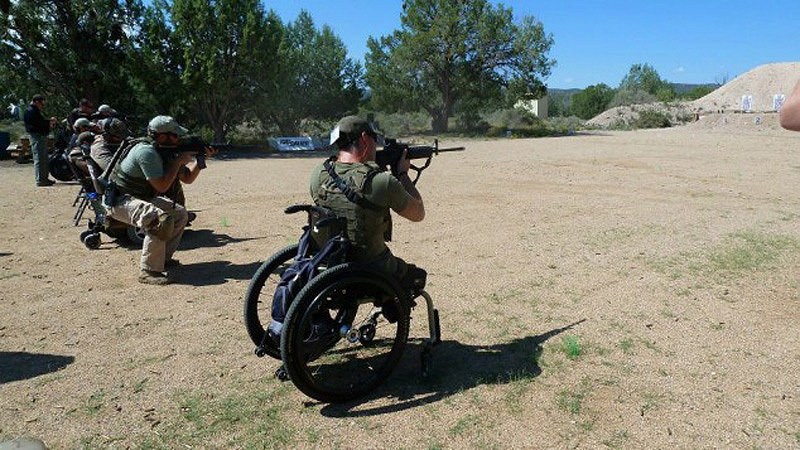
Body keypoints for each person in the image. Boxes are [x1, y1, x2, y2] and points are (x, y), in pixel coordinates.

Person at [309, 115, 425, 284]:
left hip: (328, 261)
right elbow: (418, 213)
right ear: (365, 139)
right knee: (417, 276)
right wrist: (402, 174)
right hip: (370, 267)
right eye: (374, 139)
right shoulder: (381, 182)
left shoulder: (318, 174)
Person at [106, 115, 205, 285]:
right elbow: (161, 187)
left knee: (180, 214)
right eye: (174, 135)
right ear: (161, 136)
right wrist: (178, 161)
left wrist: (201, 161)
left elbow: (187, 178)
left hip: (141, 198)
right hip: (121, 201)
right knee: (160, 219)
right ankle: (149, 271)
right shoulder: (147, 152)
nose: (178, 139)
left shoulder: (164, 150)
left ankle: (162, 260)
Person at [23, 94, 55, 186]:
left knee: (44, 158)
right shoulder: (30, 111)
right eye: (42, 103)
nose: (42, 106)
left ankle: (44, 178)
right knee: (39, 158)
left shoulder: (34, 110)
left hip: (40, 136)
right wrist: (49, 121)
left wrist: (48, 122)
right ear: (37, 102)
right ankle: (40, 180)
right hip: (37, 136)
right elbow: (38, 123)